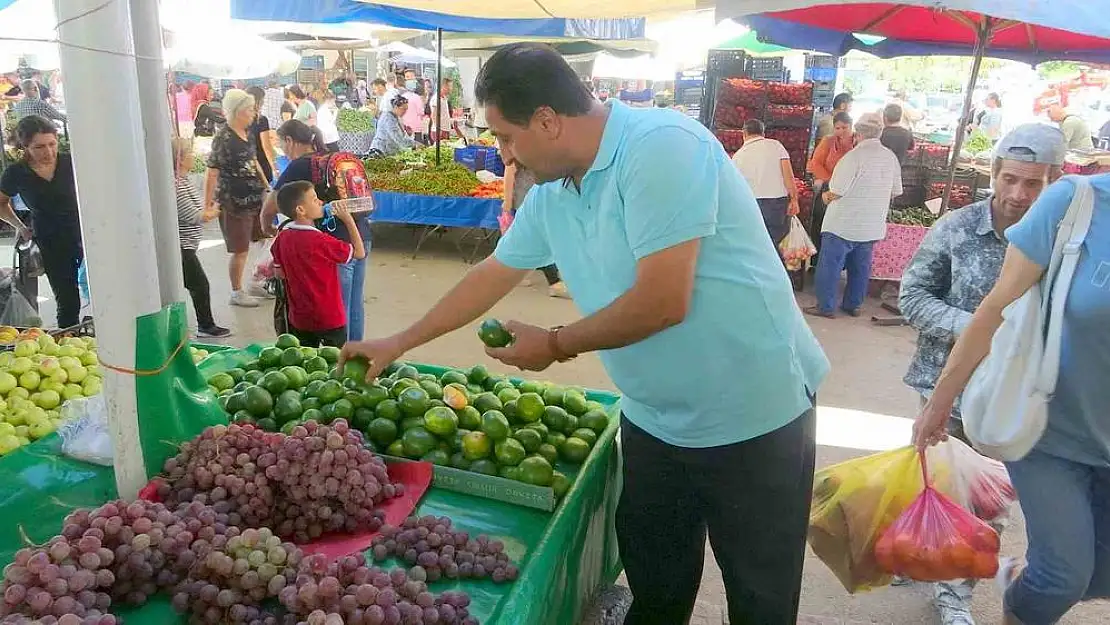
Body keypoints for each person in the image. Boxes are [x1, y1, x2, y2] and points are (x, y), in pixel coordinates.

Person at [338, 43, 828, 625]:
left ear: (547, 120)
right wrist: (399, 342)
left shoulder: (662, 148)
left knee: (760, 599)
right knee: (658, 588)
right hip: (654, 421)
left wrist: (554, 343)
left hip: (752, 418)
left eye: (505, 137)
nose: (502, 154)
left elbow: (663, 301)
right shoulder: (554, 193)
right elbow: (492, 273)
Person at [913, 164, 1110, 625]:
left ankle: (1023, 574)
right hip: (1049, 428)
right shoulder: (1077, 204)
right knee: (1061, 577)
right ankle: (1025, 597)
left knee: (1100, 576)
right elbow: (996, 308)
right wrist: (940, 403)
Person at [900, 124, 1066, 625]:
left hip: (1016, 399)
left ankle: (956, 594)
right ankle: (916, 553)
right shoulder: (954, 227)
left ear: (1055, 181)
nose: (1018, 194)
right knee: (937, 484)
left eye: (1033, 184)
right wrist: (976, 329)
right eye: (1010, 179)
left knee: (988, 500)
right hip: (943, 386)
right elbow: (911, 297)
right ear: (993, 172)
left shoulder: (1062, 241)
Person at [263, 120, 371, 342]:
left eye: (282, 144)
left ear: (290, 141)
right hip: (362, 235)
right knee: (354, 305)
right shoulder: (334, 155)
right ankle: (356, 357)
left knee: (340, 308)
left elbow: (271, 205)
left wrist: (266, 225)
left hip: (335, 243)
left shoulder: (299, 166)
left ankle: (341, 360)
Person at [807, 114, 902, 318]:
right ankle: (853, 305)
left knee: (830, 267)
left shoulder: (852, 157)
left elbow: (837, 190)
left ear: (858, 134)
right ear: (880, 133)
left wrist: (824, 196)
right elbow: (896, 191)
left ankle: (825, 306)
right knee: (861, 268)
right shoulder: (890, 157)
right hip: (871, 225)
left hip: (843, 223)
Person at [0, 115, 83, 328]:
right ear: (25, 146)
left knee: (105, 290)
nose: (48, 152)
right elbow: (1, 203)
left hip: (86, 233)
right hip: (50, 239)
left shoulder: (71, 162)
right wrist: (20, 226)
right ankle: (70, 340)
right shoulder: (17, 173)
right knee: (67, 300)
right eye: (39, 147)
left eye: (52, 144)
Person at [271, 181, 366, 348]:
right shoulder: (322, 242)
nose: (321, 202)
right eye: (315, 199)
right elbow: (359, 252)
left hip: (299, 317)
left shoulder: (281, 239)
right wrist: (349, 220)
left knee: (306, 361)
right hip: (330, 316)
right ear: (301, 210)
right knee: (334, 362)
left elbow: (279, 274)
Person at [204, 89, 270, 308]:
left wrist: (267, 185)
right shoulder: (223, 138)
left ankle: (257, 280)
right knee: (240, 249)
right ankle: (236, 291)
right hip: (234, 202)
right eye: (250, 109)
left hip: (254, 199)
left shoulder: (248, 132)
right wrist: (208, 205)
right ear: (239, 111)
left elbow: (254, 161)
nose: (254, 113)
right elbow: (212, 172)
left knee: (264, 239)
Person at [171, 138, 232, 338]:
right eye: (190, 154)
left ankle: (202, 324)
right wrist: (215, 211)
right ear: (180, 159)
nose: (193, 157)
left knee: (193, 284)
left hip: (186, 245)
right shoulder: (177, 185)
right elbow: (195, 215)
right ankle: (205, 325)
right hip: (180, 246)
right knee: (199, 284)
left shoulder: (183, 181)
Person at [500, 162, 569, 298]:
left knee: (523, 240)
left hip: (536, 195)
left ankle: (512, 274)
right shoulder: (519, 146)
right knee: (541, 238)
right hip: (526, 197)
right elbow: (509, 171)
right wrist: (507, 202)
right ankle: (554, 283)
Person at [731, 118, 799, 244]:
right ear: (763, 133)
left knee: (754, 243)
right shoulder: (776, 146)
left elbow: (735, 189)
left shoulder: (737, 157)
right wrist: (794, 200)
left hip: (750, 204)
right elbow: (788, 175)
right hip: (777, 204)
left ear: (744, 134)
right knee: (775, 244)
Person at [807, 111, 856, 248]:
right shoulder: (828, 141)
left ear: (851, 127)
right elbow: (815, 163)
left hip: (850, 190)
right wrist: (830, 180)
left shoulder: (858, 143)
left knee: (843, 224)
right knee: (820, 219)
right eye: (837, 128)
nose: (841, 131)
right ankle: (817, 256)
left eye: (844, 127)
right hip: (828, 187)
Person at [247, 86, 277, 184]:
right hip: (261, 163)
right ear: (258, 101)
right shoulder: (261, 120)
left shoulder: (239, 119)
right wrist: (275, 167)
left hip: (246, 165)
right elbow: (266, 147)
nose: (263, 102)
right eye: (262, 100)